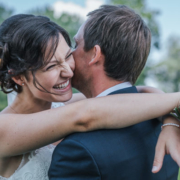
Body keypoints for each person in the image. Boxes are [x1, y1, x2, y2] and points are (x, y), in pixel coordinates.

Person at [0, 13, 179, 180]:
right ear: (18, 77)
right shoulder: (4, 127)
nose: (68, 71)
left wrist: (170, 121)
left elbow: (143, 90)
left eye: (69, 55)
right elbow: (86, 114)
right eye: (51, 66)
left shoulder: (61, 104)